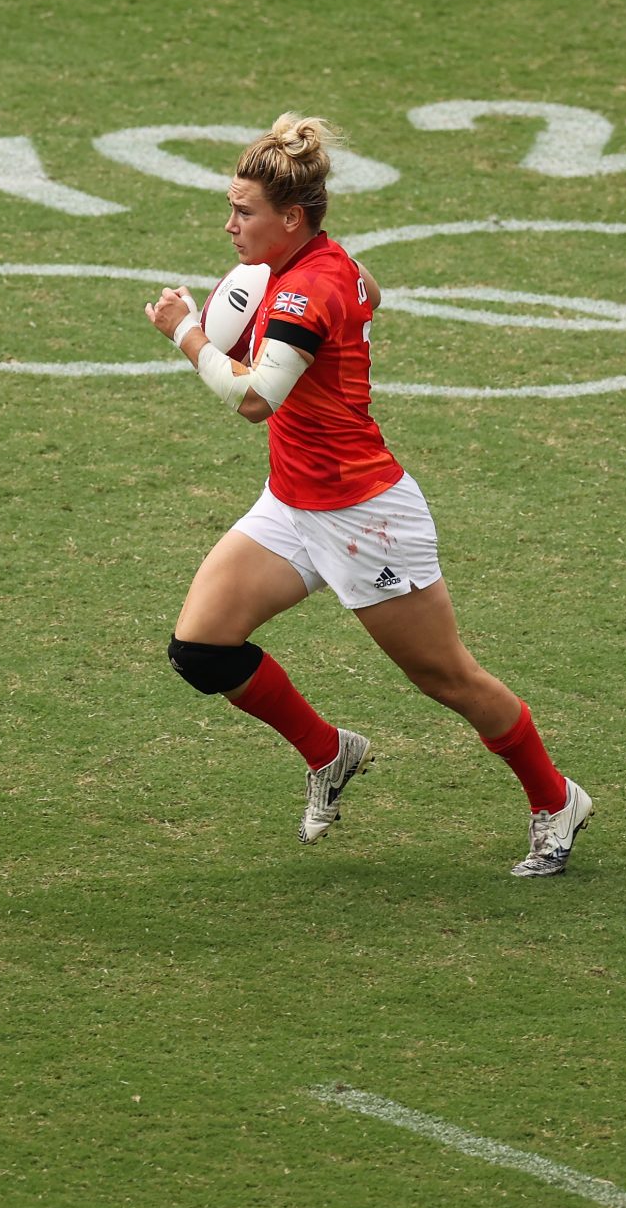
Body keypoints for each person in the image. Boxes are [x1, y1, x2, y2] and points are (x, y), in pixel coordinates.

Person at [142, 114, 593, 877]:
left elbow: (254, 400)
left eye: (244, 212)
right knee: (203, 649)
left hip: (364, 517)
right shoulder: (318, 265)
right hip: (295, 501)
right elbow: (370, 292)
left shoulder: (306, 288)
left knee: (446, 678)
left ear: (292, 218)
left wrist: (188, 331)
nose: (229, 226)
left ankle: (557, 800)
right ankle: (330, 752)